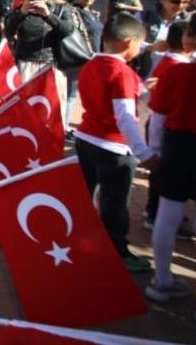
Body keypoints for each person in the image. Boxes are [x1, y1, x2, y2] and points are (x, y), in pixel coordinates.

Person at [73, 14, 153, 273]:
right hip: (114, 147)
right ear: (129, 42)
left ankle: (82, 241)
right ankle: (117, 251)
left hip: (86, 138)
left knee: (87, 195)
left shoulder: (90, 66)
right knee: (115, 202)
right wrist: (143, 151)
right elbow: (126, 117)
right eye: (140, 44)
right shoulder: (122, 72)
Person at [145, 9, 196, 324]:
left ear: (195, 38)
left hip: (177, 147)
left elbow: (157, 116)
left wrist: (154, 151)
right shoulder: (178, 71)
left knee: (168, 213)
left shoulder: (176, 72)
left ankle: (161, 280)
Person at [4, 0, 75, 120]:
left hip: (51, 67)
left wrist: (48, 15)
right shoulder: (22, 7)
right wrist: (21, 12)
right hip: (24, 67)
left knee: (50, 117)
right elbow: (8, 31)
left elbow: (68, 30)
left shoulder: (62, 8)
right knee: (24, 117)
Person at [65, 0, 104, 135]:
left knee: (79, 95)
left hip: (92, 60)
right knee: (71, 95)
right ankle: (63, 127)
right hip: (78, 59)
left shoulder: (92, 13)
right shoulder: (72, 11)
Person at [138, 0, 193, 77]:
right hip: (146, 76)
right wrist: (151, 47)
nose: (180, 5)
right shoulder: (144, 17)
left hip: (177, 75)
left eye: (186, 2)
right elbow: (127, 43)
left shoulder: (191, 22)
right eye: (175, 1)